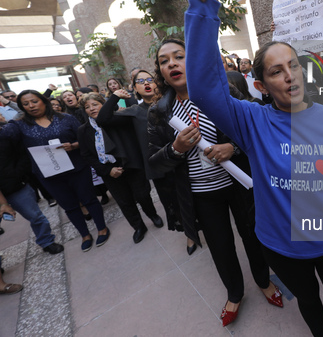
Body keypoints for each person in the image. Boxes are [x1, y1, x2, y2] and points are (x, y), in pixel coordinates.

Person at [186, 0, 323, 337]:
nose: (289, 76)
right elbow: (204, 89)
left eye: (293, 66)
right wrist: (203, 11)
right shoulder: (252, 121)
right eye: (276, 71)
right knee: (309, 304)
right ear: (261, 84)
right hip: (280, 245)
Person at [148, 38, 282, 327]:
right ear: (160, 71)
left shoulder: (221, 92)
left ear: (193, 60)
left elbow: (257, 128)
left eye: (179, 56)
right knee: (221, 247)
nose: (171, 63)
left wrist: (232, 148)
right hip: (202, 193)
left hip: (240, 185)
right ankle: (235, 293)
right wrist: (175, 149)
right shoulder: (159, 112)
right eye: (164, 60)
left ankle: (263, 281)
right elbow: (153, 162)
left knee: (253, 236)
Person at [0, 90, 109, 252]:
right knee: (70, 206)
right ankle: (85, 235)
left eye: (34, 101)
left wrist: (73, 146)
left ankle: (102, 228)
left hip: (77, 168)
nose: (31, 106)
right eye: (26, 104)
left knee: (89, 199)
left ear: (44, 101)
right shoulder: (19, 125)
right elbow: (3, 136)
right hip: (49, 174)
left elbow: (86, 139)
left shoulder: (66, 119)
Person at [96, 69, 184, 232]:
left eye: (150, 79)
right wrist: (115, 96)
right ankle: (188, 234)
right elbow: (103, 119)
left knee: (192, 198)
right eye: (141, 82)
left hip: (184, 159)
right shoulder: (135, 111)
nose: (146, 83)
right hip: (160, 168)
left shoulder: (173, 103)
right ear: (134, 88)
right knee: (172, 203)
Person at [78, 93, 164, 243]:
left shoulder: (116, 119)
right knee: (125, 202)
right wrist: (107, 171)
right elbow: (87, 155)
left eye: (95, 104)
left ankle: (153, 215)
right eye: (87, 107)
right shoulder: (83, 130)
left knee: (143, 195)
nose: (91, 109)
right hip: (110, 172)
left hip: (131, 165)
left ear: (103, 105)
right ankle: (138, 227)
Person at [0, 134, 64, 255]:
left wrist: (17, 174)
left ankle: (47, 242)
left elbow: (23, 154)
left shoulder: (7, 134)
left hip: (16, 187)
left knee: (36, 216)